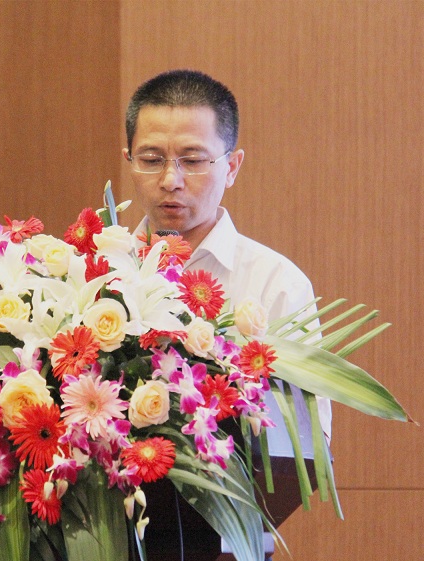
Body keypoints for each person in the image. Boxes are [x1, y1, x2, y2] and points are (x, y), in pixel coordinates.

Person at [123, 69, 331, 560]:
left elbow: (303, 447)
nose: (170, 180)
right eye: (151, 159)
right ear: (129, 160)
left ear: (232, 166)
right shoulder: (95, 272)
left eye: (193, 160)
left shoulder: (276, 284)